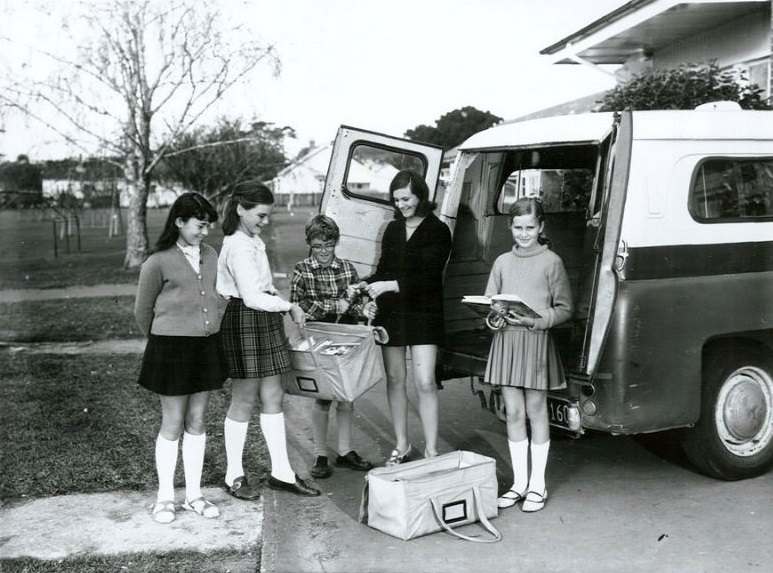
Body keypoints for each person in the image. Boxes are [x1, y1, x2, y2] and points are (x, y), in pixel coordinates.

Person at [217, 181, 321, 499]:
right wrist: (289, 305)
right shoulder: (236, 244)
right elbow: (249, 297)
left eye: (268, 215)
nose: (265, 221)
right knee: (245, 399)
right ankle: (233, 475)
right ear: (241, 209)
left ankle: (282, 473)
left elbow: (261, 287)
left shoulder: (253, 240)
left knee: (274, 395)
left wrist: (275, 295)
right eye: (260, 215)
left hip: (264, 317)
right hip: (246, 319)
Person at [134, 192, 225, 524]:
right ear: (179, 222)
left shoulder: (211, 254)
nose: (204, 232)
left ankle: (194, 496)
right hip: (170, 349)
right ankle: (164, 499)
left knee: (197, 421)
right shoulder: (157, 261)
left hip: (205, 347)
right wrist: (164, 341)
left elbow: (215, 295)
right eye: (199, 225)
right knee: (172, 423)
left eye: (208, 226)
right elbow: (142, 311)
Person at [483, 197, 573, 513]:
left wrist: (536, 320)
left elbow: (565, 309)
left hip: (535, 342)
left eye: (530, 227)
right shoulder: (502, 262)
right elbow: (489, 302)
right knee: (514, 412)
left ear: (541, 227)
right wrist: (492, 316)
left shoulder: (552, 262)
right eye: (518, 227)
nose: (524, 234)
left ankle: (538, 485)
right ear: (510, 227)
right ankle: (519, 484)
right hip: (506, 343)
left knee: (536, 410)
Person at [363, 169, 452, 465]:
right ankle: (402, 445)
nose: (401, 205)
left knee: (425, 382)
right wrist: (366, 285)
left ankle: (431, 450)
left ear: (421, 196)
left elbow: (429, 277)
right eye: (396, 200)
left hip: (424, 312)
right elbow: (383, 269)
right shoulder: (391, 229)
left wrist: (389, 285)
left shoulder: (438, 230)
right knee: (394, 379)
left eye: (406, 199)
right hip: (392, 314)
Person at [290, 214, 377, 479]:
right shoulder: (301, 270)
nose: (324, 251)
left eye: (329, 245)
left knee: (346, 394)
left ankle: (345, 450)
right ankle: (320, 453)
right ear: (310, 245)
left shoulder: (347, 269)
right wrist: (331, 305)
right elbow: (297, 305)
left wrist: (366, 307)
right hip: (319, 336)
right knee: (323, 396)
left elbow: (356, 304)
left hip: (345, 333)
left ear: (336, 242)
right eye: (318, 246)